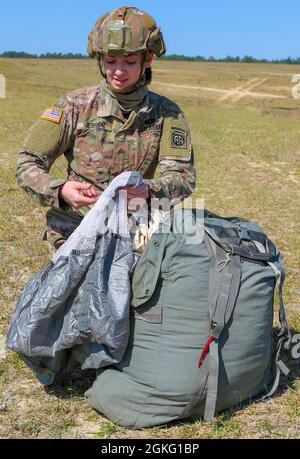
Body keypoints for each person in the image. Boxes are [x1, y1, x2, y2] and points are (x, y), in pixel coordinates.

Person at [16, 6, 196, 252]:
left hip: (136, 230)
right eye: (110, 61)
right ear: (100, 59)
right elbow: (27, 164)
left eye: (130, 61)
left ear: (148, 59)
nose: (119, 71)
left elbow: (183, 178)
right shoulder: (73, 107)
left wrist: (148, 191)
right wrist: (61, 190)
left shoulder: (167, 114)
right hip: (75, 228)